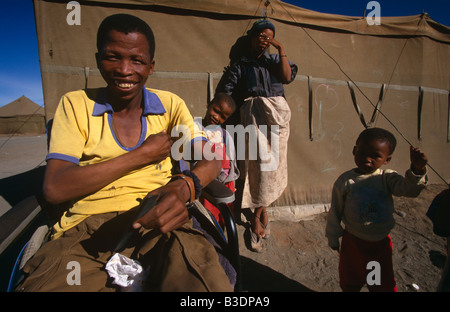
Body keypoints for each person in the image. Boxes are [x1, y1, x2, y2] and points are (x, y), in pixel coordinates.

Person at [16, 14, 233, 292]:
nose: (124, 69)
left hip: (161, 224)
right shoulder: (75, 104)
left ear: (151, 66)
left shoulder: (170, 105)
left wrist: (184, 187)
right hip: (87, 233)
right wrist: (141, 155)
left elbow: (211, 159)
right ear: (97, 59)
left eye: (137, 60)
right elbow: (56, 188)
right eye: (113, 57)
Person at [215, 19, 298, 252]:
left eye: (269, 37)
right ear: (252, 37)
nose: (264, 41)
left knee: (274, 168)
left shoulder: (275, 61)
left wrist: (281, 50)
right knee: (258, 168)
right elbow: (226, 93)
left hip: (278, 119)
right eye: (261, 36)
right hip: (253, 119)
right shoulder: (240, 66)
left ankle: (260, 212)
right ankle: (256, 219)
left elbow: (287, 78)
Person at [325, 127, 428, 292]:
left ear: (387, 159)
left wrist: (417, 170)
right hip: (352, 243)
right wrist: (333, 237)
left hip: (379, 246)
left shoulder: (386, 178)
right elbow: (335, 210)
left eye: (375, 156)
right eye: (362, 153)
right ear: (354, 150)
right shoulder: (345, 181)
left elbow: (408, 190)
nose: (367, 160)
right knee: (351, 279)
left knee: (378, 282)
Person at [196, 93, 240, 226]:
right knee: (202, 218)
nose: (216, 117)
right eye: (215, 110)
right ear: (208, 105)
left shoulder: (226, 136)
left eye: (223, 116)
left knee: (218, 220)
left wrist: (231, 185)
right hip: (202, 182)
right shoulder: (195, 128)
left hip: (222, 185)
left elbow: (231, 162)